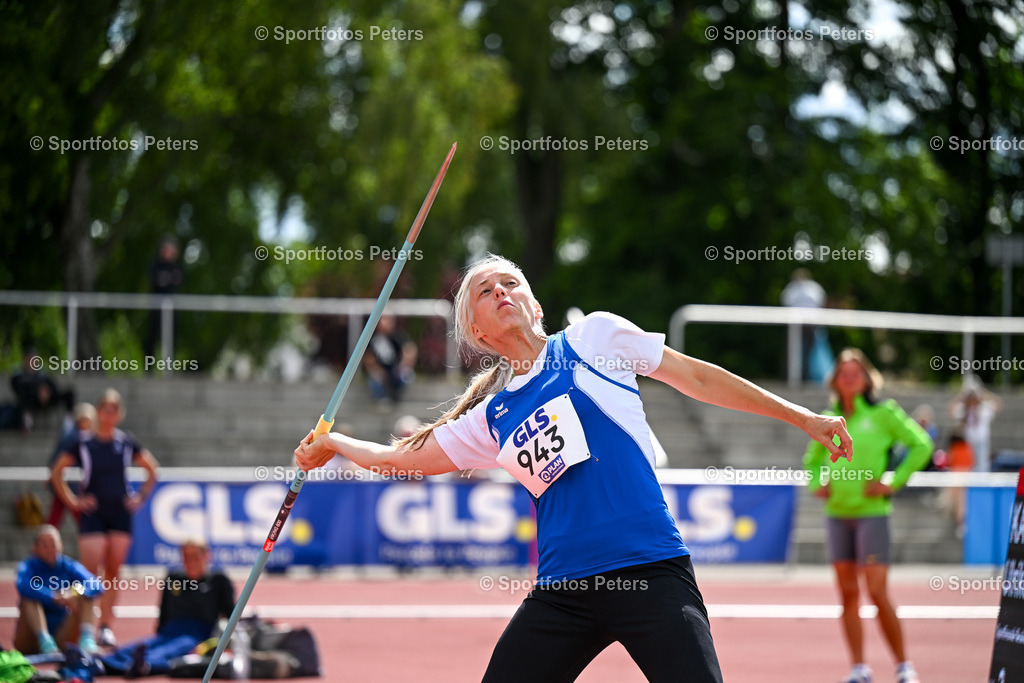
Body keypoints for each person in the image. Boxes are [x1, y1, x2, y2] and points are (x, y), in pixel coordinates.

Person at [295, 254, 852, 682]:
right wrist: (336, 443)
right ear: (479, 334)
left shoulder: (594, 339)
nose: (500, 292)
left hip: (650, 572)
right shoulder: (492, 415)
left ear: (535, 304)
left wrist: (803, 417)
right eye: (485, 293)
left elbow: (699, 379)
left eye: (510, 284)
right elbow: (404, 460)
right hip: (564, 593)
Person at [803, 348, 932, 683]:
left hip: (872, 514)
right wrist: (818, 483)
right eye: (843, 372)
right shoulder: (827, 417)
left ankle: (904, 666)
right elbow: (811, 461)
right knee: (847, 594)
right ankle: (859, 669)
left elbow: (922, 445)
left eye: (855, 371)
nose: (849, 377)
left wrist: (894, 481)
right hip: (837, 515)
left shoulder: (885, 413)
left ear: (867, 377)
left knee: (876, 591)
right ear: (835, 380)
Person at [51, 388, 159, 647]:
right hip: (93, 513)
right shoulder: (82, 443)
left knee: (112, 571)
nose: (109, 415)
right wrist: (74, 501)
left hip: (120, 513)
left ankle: (106, 625)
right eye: (105, 409)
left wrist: (140, 497)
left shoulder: (125, 442)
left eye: (114, 410)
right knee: (90, 572)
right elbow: (56, 473)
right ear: (98, 411)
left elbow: (152, 469)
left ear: (119, 414)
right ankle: (86, 627)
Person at [101, 540, 236, 677]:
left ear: (206, 556)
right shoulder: (174, 579)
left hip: (197, 634)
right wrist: (160, 631)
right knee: (139, 646)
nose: (191, 562)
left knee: (169, 651)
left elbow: (232, 615)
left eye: (195, 557)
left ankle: (145, 666)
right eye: (186, 557)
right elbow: (163, 610)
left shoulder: (218, 581)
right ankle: (101, 663)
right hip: (169, 630)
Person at [14, 525, 103, 655]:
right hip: (29, 639)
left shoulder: (68, 566)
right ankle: (44, 640)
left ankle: (87, 640)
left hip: (61, 636)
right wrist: (52, 596)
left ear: (60, 545)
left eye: (53, 544)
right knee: (29, 599)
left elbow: (96, 585)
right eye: (44, 545)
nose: (50, 549)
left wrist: (73, 593)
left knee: (85, 594)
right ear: (35, 548)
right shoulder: (28, 566)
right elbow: (22, 585)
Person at [47, 402, 96, 528]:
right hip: (70, 485)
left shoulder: (78, 436)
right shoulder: (73, 438)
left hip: (69, 484)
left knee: (57, 519)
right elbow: (58, 460)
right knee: (76, 520)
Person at [780, 268, 829, 382]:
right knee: (792, 351)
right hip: (795, 325)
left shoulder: (813, 288)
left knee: (808, 352)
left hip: (810, 324)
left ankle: (805, 377)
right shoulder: (793, 289)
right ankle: (789, 376)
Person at [10, 348, 75, 432]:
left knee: (69, 392)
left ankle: (69, 421)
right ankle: (27, 423)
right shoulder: (20, 375)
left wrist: (47, 391)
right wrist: (37, 390)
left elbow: (54, 387)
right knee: (27, 396)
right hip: (31, 400)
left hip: (48, 398)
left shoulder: (43, 374)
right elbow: (17, 388)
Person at [143, 236, 184, 361]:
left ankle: (169, 365)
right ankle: (148, 367)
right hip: (156, 306)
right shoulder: (155, 264)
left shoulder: (177, 266)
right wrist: (168, 279)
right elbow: (157, 280)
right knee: (153, 336)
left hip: (172, 307)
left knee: (172, 337)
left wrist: (167, 279)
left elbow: (179, 280)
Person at [363, 313, 417, 408]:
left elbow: (410, 349)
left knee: (406, 376)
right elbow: (368, 356)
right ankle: (381, 400)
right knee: (376, 377)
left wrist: (402, 365)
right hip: (380, 369)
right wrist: (377, 369)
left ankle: (396, 398)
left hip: (396, 368)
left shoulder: (398, 335)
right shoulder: (372, 337)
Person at [947, 378, 1001, 472]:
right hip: (968, 440)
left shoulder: (984, 408)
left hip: (982, 440)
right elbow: (951, 411)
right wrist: (960, 396)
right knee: (970, 464)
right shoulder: (963, 410)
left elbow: (998, 404)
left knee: (983, 464)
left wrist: (983, 393)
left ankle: (983, 483)